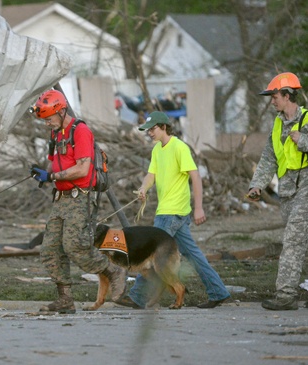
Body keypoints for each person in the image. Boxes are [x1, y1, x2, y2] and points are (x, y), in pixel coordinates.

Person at [119, 111, 230, 309]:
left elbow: (195, 176)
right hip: (169, 212)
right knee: (192, 254)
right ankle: (218, 291)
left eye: (152, 129)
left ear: (163, 127)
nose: (150, 133)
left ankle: (137, 297)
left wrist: (198, 208)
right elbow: (150, 175)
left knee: (150, 253)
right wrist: (144, 188)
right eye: (148, 130)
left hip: (172, 212)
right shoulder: (157, 150)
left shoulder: (179, 147)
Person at [29, 89, 127, 314]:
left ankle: (113, 271)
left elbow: (83, 169)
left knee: (75, 246)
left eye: (49, 118)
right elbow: (54, 162)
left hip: (79, 198)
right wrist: (42, 173)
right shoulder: (56, 133)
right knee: (50, 249)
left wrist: (52, 177)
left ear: (62, 111)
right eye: (44, 120)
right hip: (61, 199)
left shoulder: (80, 131)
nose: (47, 123)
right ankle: (65, 300)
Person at [248, 72, 308, 311]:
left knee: (293, 241)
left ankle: (285, 295)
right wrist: (257, 185)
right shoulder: (277, 124)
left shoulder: (306, 119)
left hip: (306, 187)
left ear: (287, 95)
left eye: (275, 96)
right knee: (303, 242)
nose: (272, 101)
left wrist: (302, 140)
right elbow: (268, 158)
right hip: (287, 192)